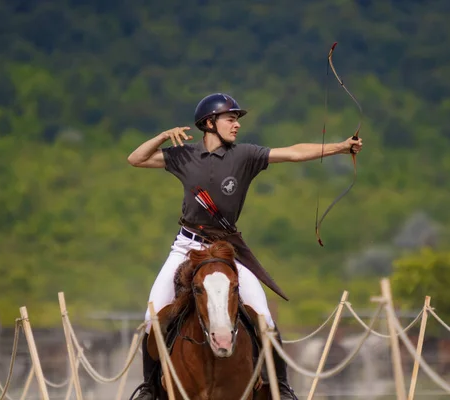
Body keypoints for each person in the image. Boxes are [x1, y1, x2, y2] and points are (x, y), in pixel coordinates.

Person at [127, 93, 363, 400]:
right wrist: (161, 137)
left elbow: (292, 153)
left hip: (226, 250)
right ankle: (148, 388)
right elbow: (136, 159)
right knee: (153, 316)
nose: (236, 125)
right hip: (188, 247)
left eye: (237, 120)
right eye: (230, 119)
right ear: (209, 123)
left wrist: (340, 148)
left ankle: (283, 387)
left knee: (264, 317)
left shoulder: (245, 156)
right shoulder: (183, 155)